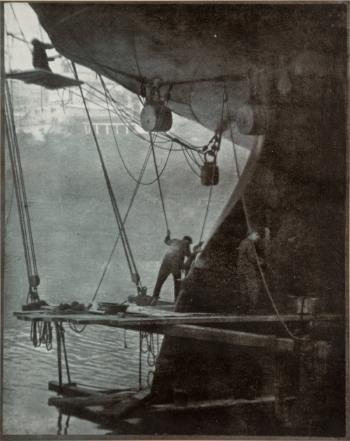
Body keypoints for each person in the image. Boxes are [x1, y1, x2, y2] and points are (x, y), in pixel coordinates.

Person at [151, 230, 192, 305]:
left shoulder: (175, 240)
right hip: (175, 265)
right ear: (188, 241)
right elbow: (190, 256)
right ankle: (176, 300)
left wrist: (168, 235)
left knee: (160, 281)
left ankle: (155, 298)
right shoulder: (186, 243)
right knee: (177, 282)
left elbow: (166, 241)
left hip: (166, 262)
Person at [237, 228, 270, 311]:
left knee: (243, 289)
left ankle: (243, 308)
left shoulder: (243, 242)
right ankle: (252, 308)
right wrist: (262, 261)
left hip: (241, 269)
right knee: (253, 288)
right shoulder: (249, 243)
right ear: (251, 235)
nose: (257, 237)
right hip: (248, 270)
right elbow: (252, 257)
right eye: (256, 235)